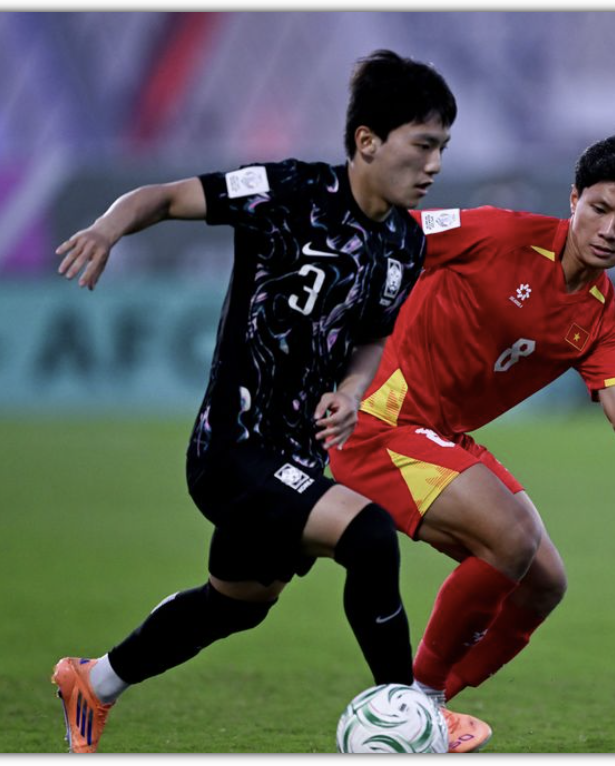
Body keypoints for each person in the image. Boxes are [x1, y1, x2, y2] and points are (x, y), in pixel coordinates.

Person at [48, 49, 487, 754]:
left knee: (238, 604)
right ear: (367, 141)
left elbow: (372, 337)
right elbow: (161, 196)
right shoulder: (287, 190)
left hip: (295, 454)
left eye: (443, 147)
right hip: (232, 447)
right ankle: (413, 714)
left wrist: (350, 392)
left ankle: (93, 683)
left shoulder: (404, 241)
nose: (435, 164)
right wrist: (106, 229)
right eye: (423, 145)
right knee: (369, 536)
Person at [328, 128, 615, 748]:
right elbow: (390, 235)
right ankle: (420, 701)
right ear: (573, 198)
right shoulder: (499, 233)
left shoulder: (602, 316)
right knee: (512, 539)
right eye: (599, 209)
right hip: (376, 422)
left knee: (545, 581)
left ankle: (430, 706)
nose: (609, 229)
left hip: (439, 434)